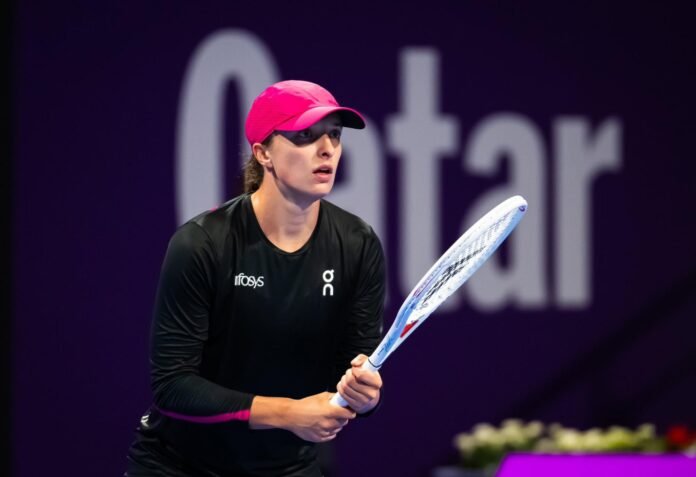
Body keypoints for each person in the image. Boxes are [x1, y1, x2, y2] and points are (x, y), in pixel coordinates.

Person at [125, 80, 385, 477]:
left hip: (288, 466)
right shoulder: (202, 243)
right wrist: (288, 413)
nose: (327, 148)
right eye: (305, 136)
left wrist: (363, 398)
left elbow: (350, 370)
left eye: (334, 134)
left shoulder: (358, 245)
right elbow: (173, 386)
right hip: (180, 465)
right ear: (263, 153)